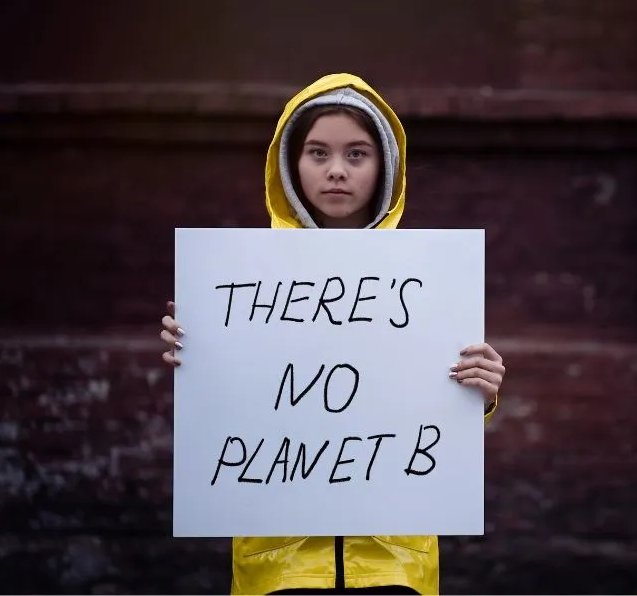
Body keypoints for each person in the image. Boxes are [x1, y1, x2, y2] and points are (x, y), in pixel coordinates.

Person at [158, 73, 505, 595]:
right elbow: (233, 411)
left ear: (384, 164)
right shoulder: (245, 286)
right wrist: (198, 355)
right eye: (318, 153)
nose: (337, 171)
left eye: (357, 154)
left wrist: (481, 393)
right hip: (278, 567)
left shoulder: (427, 282)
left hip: (395, 566)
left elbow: (434, 414)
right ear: (291, 164)